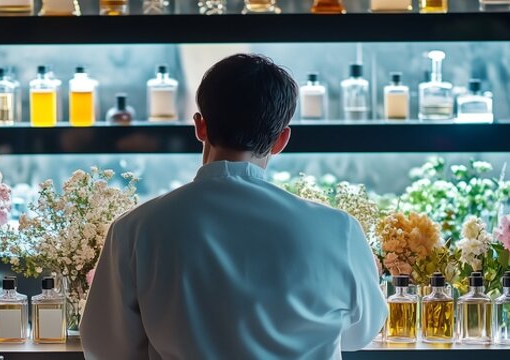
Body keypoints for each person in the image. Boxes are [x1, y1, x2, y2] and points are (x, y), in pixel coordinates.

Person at [80, 54, 387, 359]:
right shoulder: (337, 230)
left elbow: (105, 349)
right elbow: (360, 334)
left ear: (201, 127)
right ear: (281, 140)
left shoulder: (134, 229)